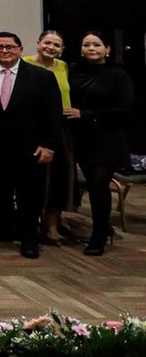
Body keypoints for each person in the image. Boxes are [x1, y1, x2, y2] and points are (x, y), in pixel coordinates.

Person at [0, 31, 60, 259]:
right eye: (0, 47)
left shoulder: (41, 77)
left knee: (29, 196)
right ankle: (2, 229)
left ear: (20, 50)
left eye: (10, 47)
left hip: (30, 147)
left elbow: (53, 116)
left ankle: (30, 238)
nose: (5, 51)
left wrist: (48, 145)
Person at [66, 31, 133, 256]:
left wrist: (86, 114)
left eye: (96, 45)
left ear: (107, 49)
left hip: (108, 138)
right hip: (82, 138)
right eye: (86, 45)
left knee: (98, 185)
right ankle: (103, 228)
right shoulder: (73, 71)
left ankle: (98, 236)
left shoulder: (118, 75)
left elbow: (124, 110)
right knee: (92, 185)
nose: (91, 49)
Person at [25, 30, 74, 244]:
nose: (51, 48)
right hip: (32, 126)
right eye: (47, 43)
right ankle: (30, 223)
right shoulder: (24, 63)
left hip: (61, 128)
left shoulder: (63, 66)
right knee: (33, 177)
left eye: (56, 45)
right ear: (38, 43)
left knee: (58, 178)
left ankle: (52, 225)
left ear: (62, 50)